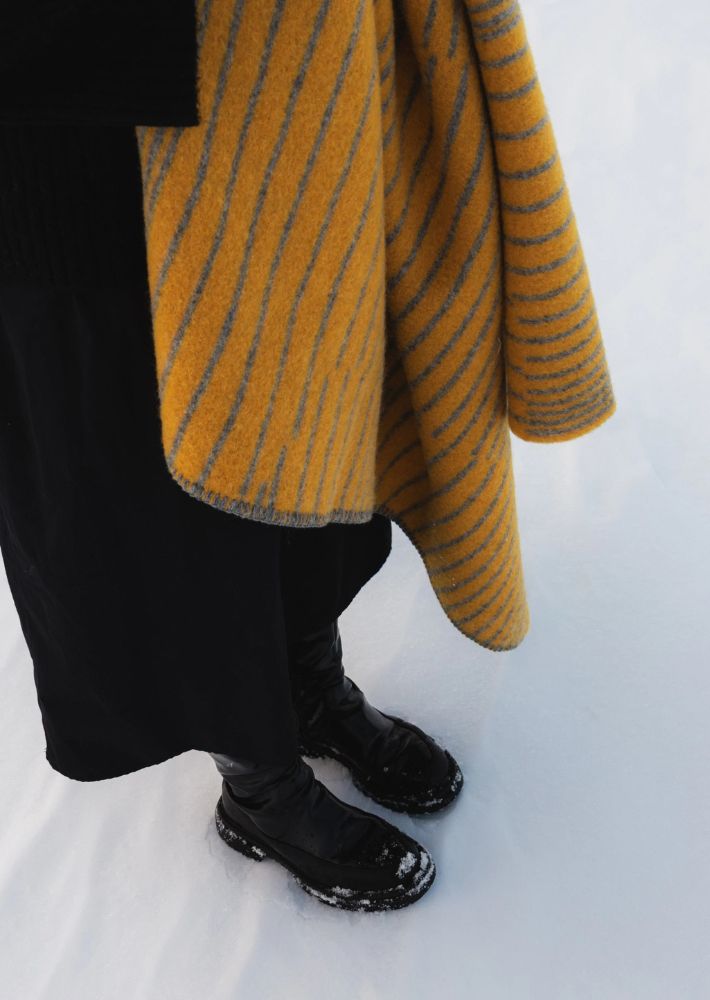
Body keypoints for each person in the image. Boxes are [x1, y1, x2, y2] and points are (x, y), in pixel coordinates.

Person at [0, 1, 462, 912]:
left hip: (260, 101)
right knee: (154, 481)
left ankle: (309, 686)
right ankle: (260, 782)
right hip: (66, 137)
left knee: (295, 412)